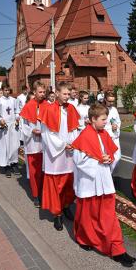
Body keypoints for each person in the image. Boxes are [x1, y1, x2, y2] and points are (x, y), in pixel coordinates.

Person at [72, 103, 136, 267]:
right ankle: (84, 238)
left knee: (109, 217)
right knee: (87, 216)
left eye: (106, 119)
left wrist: (108, 159)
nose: (105, 122)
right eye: (103, 119)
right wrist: (99, 160)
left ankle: (117, 250)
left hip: (104, 181)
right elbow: (79, 161)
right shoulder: (84, 136)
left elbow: (113, 153)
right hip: (89, 183)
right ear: (93, 119)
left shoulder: (104, 134)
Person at [40, 82, 80, 231]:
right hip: (55, 154)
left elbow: (75, 129)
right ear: (57, 93)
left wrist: (73, 143)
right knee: (56, 184)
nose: (67, 97)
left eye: (69, 94)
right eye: (64, 94)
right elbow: (47, 134)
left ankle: (67, 206)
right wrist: (63, 145)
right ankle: (57, 214)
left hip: (69, 153)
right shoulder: (48, 110)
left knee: (69, 182)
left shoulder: (72, 109)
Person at [20, 81, 48, 207]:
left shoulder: (47, 105)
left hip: (45, 144)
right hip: (32, 143)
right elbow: (23, 125)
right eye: (40, 92)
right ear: (34, 92)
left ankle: (43, 193)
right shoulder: (28, 106)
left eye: (44, 92)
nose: (42, 94)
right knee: (34, 171)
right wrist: (31, 130)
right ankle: (36, 195)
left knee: (44, 171)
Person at [0, 85, 20, 177]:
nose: (7, 92)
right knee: (5, 146)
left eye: (8, 90)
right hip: (4, 126)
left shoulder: (13, 100)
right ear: (2, 91)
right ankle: (6, 166)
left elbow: (17, 111)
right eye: (5, 90)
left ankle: (14, 163)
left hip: (13, 126)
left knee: (14, 145)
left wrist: (17, 118)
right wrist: (0, 120)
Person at [104, 91, 121, 173]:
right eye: (109, 101)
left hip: (114, 136)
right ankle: (107, 176)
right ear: (105, 100)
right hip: (106, 136)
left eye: (113, 101)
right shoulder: (102, 109)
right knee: (107, 158)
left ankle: (109, 174)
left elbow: (118, 121)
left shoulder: (114, 109)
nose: (111, 103)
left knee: (117, 157)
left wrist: (116, 127)